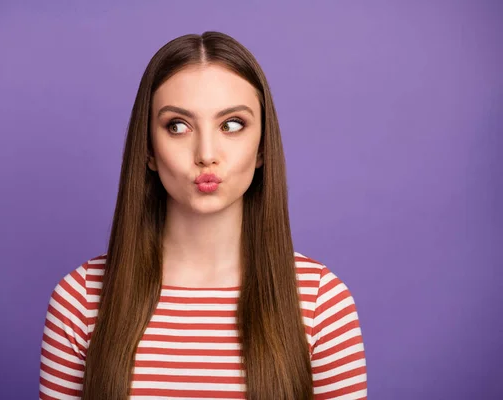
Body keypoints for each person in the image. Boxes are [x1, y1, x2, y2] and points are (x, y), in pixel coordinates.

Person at [38, 31, 367, 400]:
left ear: (262, 148)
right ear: (148, 148)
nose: (206, 153)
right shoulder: (80, 300)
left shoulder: (321, 302)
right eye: (178, 126)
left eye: (232, 125)